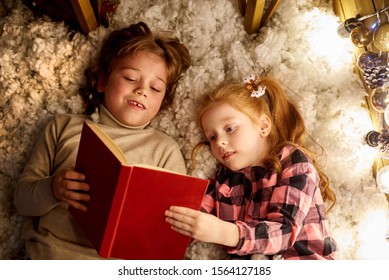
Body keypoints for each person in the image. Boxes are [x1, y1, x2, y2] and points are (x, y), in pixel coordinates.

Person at [14, 21, 191, 259]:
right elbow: (22, 202)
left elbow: (175, 232)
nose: (142, 90)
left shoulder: (165, 150)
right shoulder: (64, 126)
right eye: (130, 78)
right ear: (102, 81)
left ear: (162, 104)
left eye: (156, 88)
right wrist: (53, 189)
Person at [165, 74, 337, 260]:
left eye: (230, 129)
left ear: (263, 126)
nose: (220, 143)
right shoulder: (224, 179)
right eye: (212, 137)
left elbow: (285, 232)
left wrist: (225, 232)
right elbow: (192, 215)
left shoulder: (293, 162)